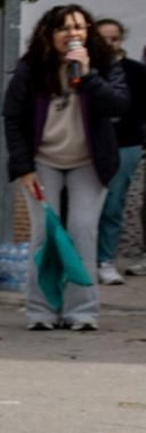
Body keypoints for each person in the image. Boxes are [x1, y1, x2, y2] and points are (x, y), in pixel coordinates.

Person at [3, 5, 130, 330]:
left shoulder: (104, 65)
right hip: (42, 161)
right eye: (64, 28)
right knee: (44, 235)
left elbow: (118, 105)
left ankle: (82, 312)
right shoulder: (30, 69)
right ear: (49, 34)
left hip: (88, 162)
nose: (73, 34)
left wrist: (87, 77)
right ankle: (41, 312)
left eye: (79, 27)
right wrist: (23, 167)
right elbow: (13, 118)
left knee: (82, 231)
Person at [91, 19, 142, 285]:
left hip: (126, 144)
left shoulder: (135, 71)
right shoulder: (86, 69)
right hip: (89, 144)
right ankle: (83, 258)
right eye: (104, 39)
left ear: (122, 40)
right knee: (86, 205)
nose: (110, 44)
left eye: (114, 39)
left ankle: (106, 260)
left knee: (113, 204)